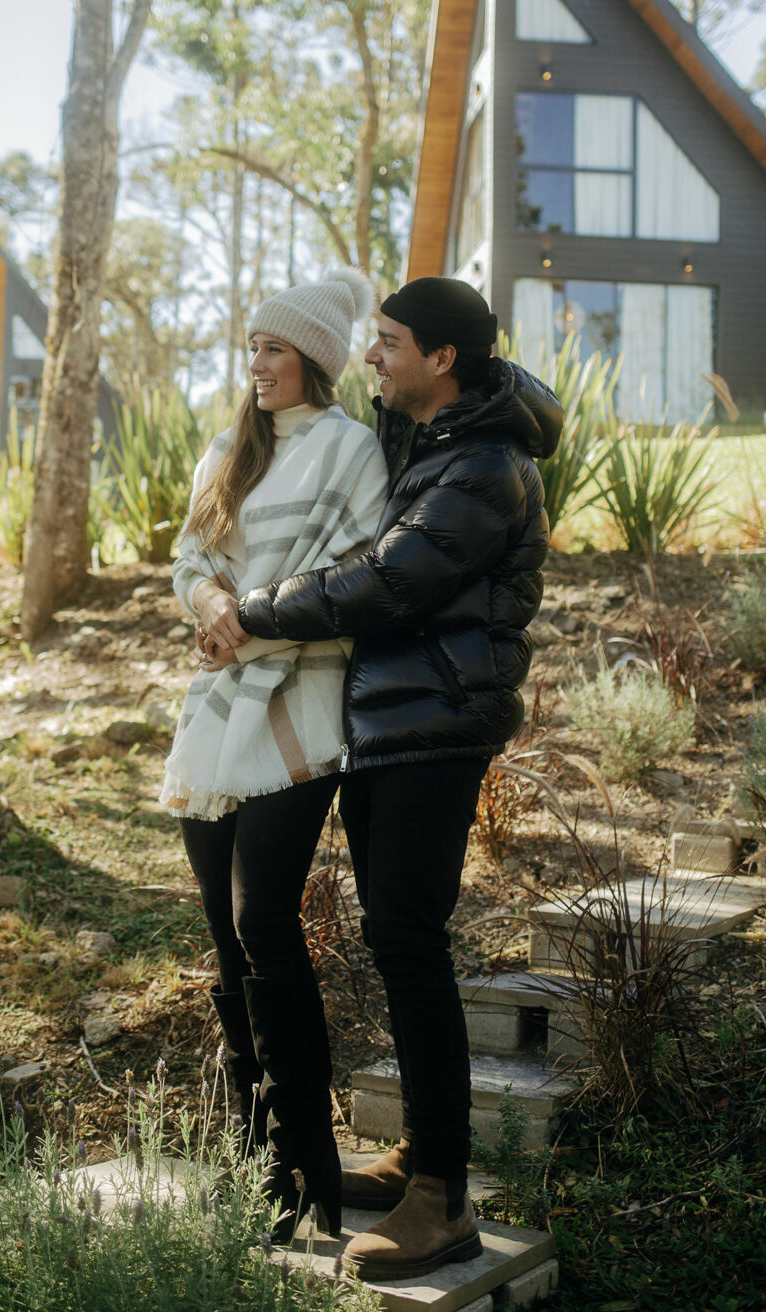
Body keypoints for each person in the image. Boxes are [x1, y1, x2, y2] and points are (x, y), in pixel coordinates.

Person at [227, 276, 563, 1281]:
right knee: (396, 938)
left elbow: (390, 577)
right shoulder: (430, 437)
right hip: (393, 722)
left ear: (442, 358)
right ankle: (425, 1151)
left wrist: (256, 610)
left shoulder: (484, 464)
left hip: (435, 727)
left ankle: (442, 1202)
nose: (371, 356)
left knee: (410, 945)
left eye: (387, 342)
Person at [162, 266, 388, 1240]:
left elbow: (351, 576)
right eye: (252, 345)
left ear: (315, 361)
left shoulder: (350, 452)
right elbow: (189, 560)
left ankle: (311, 1155)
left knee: (266, 931)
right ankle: (262, 1167)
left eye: (275, 347)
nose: (257, 363)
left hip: (300, 713)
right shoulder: (229, 446)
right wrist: (210, 604)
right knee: (225, 948)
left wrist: (244, 618)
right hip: (216, 715)